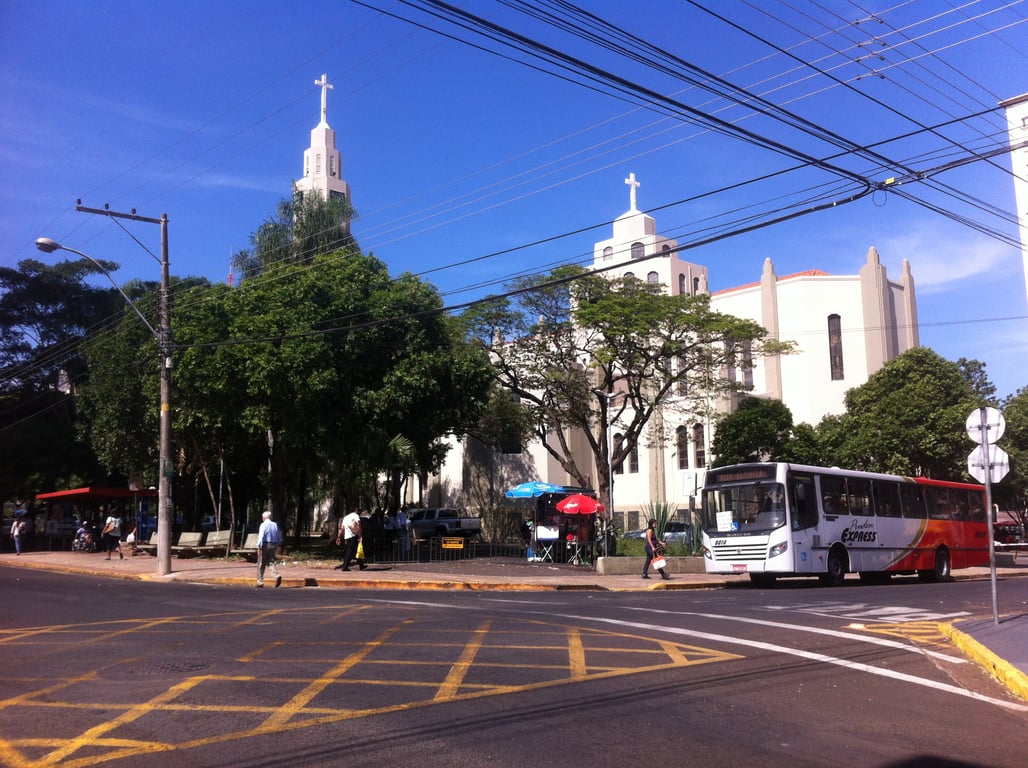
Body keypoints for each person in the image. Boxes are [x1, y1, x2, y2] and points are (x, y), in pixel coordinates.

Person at [255, 510, 282, 588]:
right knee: (271, 561)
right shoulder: (275, 525)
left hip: (265, 544)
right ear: (270, 517)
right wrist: (277, 544)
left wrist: (259, 547)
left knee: (261, 563)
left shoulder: (263, 525)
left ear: (263, 518)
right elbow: (278, 535)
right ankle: (277, 576)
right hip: (273, 544)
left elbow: (261, 536)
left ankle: (260, 582)